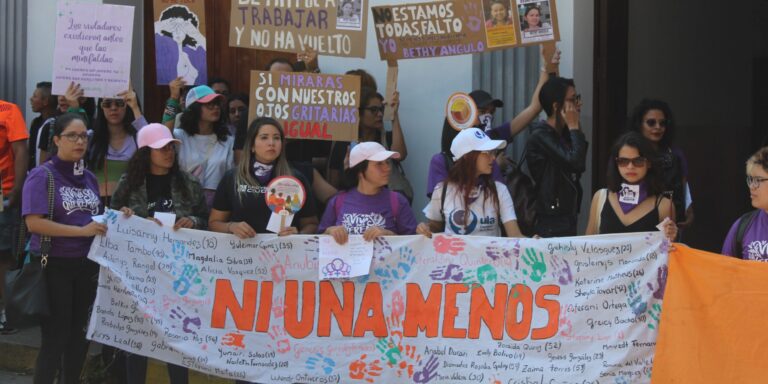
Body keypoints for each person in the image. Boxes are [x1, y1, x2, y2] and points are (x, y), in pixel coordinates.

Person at [22, 113, 116, 383]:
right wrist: (80, 231)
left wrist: (118, 217)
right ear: (56, 140)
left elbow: (94, 218)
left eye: (84, 136)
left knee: (79, 336)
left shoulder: (88, 177)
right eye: (71, 136)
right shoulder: (42, 175)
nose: (79, 141)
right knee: (56, 338)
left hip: (86, 265)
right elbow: (34, 223)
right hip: (54, 265)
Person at [110, 123, 206, 384]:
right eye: (161, 148)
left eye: (171, 148)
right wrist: (126, 216)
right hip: (139, 272)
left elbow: (205, 219)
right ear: (145, 153)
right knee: (137, 338)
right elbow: (113, 218)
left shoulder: (189, 183)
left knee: (176, 338)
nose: (168, 153)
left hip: (177, 274)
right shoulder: (129, 184)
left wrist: (193, 222)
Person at [425, 47, 555, 198]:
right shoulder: (442, 160)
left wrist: (545, 67)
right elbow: (441, 204)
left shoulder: (494, 136)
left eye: (491, 112)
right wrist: (495, 167)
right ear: (465, 114)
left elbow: (534, 109)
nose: (487, 116)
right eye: (482, 111)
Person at [209, 117, 318, 239]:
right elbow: (214, 223)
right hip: (240, 254)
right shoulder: (232, 178)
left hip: (283, 253)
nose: (271, 143)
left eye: (276, 138)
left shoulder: (295, 179)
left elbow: (311, 224)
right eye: (264, 137)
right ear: (252, 146)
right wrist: (231, 227)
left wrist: (298, 235)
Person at [418, 128, 524, 238]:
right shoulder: (442, 190)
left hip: (489, 255)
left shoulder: (499, 189)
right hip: (453, 255)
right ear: (467, 156)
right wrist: (425, 229)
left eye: (493, 152)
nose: (493, 158)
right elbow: (435, 227)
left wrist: (536, 244)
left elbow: (515, 235)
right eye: (487, 152)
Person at [525, 76, 588, 237]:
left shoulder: (563, 133)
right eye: (573, 100)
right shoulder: (541, 136)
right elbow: (576, 162)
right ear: (556, 106)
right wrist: (574, 126)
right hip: (550, 220)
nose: (578, 105)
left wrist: (573, 128)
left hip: (568, 215)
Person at [585, 132, 677, 240]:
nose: (630, 166)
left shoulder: (664, 205)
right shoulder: (600, 198)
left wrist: (672, 238)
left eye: (638, 161)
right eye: (623, 161)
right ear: (616, 163)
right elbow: (587, 246)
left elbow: (667, 250)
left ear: (649, 163)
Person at [320, 142, 417, 244]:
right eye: (379, 164)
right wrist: (329, 232)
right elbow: (315, 242)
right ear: (360, 170)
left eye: (387, 162)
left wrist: (390, 236)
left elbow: (415, 245)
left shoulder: (398, 201)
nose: (388, 168)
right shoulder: (337, 201)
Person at [629, 98, 694, 230]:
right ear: (639, 124)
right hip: (639, 222)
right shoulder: (629, 153)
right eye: (651, 122)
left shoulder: (676, 154)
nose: (657, 127)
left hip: (671, 224)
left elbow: (683, 186)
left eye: (662, 123)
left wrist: (689, 210)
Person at [328, 87, 407, 188]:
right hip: (352, 200)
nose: (380, 114)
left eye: (381, 109)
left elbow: (401, 155)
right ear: (358, 113)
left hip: (383, 200)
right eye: (373, 110)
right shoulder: (344, 143)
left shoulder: (386, 139)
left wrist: (394, 115)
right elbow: (333, 182)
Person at [174, 85, 234, 207]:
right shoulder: (178, 136)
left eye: (217, 103)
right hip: (183, 203)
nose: (216, 107)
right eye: (209, 104)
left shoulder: (228, 141)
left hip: (217, 205)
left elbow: (231, 178)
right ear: (194, 108)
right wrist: (172, 99)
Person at [88, 86, 148, 204]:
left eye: (120, 103)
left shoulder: (137, 137)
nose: (113, 108)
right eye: (107, 104)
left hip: (131, 207)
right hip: (95, 206)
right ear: (101, 107)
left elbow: (152, 143)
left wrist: (135, 108)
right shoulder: (90, 138)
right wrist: (73, 107)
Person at [0, 99, 29, 334]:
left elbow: (21, 150)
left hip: (3, 195)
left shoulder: (8, 110)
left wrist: (16, 191)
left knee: (3, 258)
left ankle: (4, 312)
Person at [722, 147, 768, 260]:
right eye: (750, 180)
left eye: (758, 180)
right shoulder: (742, 226)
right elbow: (724, 271)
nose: (752, 186)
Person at [154, 5, 207, 85]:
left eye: (181, 28)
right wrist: (163, 23)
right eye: (174, 27)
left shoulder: (194, 53)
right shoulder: (163, 53)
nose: (178, 31)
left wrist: (196, 34)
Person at [28, 81, 57, 168]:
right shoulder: (35, 122)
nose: (31, 99)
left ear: (45, 101)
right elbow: (30, 151)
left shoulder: (54, 124)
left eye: (35, 96)